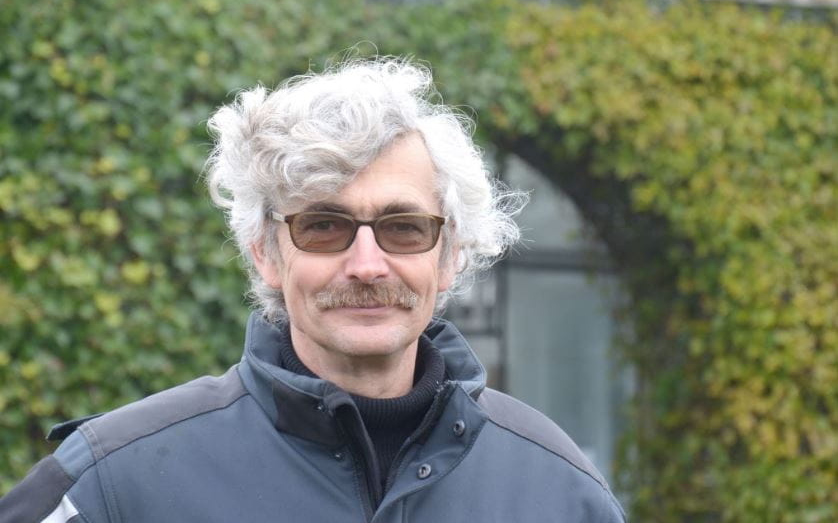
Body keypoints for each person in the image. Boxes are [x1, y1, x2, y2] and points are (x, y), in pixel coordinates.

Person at [1, 58, 625, 522]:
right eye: (323, 226)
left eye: (404, 228)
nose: (367, 265)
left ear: (450, 255)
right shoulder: (114, 484)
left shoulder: (561, 492)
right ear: (265, 252)